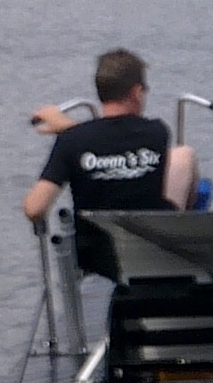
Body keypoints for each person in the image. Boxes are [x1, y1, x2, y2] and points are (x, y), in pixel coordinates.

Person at [21, 48, 199, 276]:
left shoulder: (72, 142)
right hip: (153, 256)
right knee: (183, 156)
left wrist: (69, 131)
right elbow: (112, 138)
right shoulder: (157, 132)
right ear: (136, 92)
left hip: (98, 264)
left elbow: (34, 208)